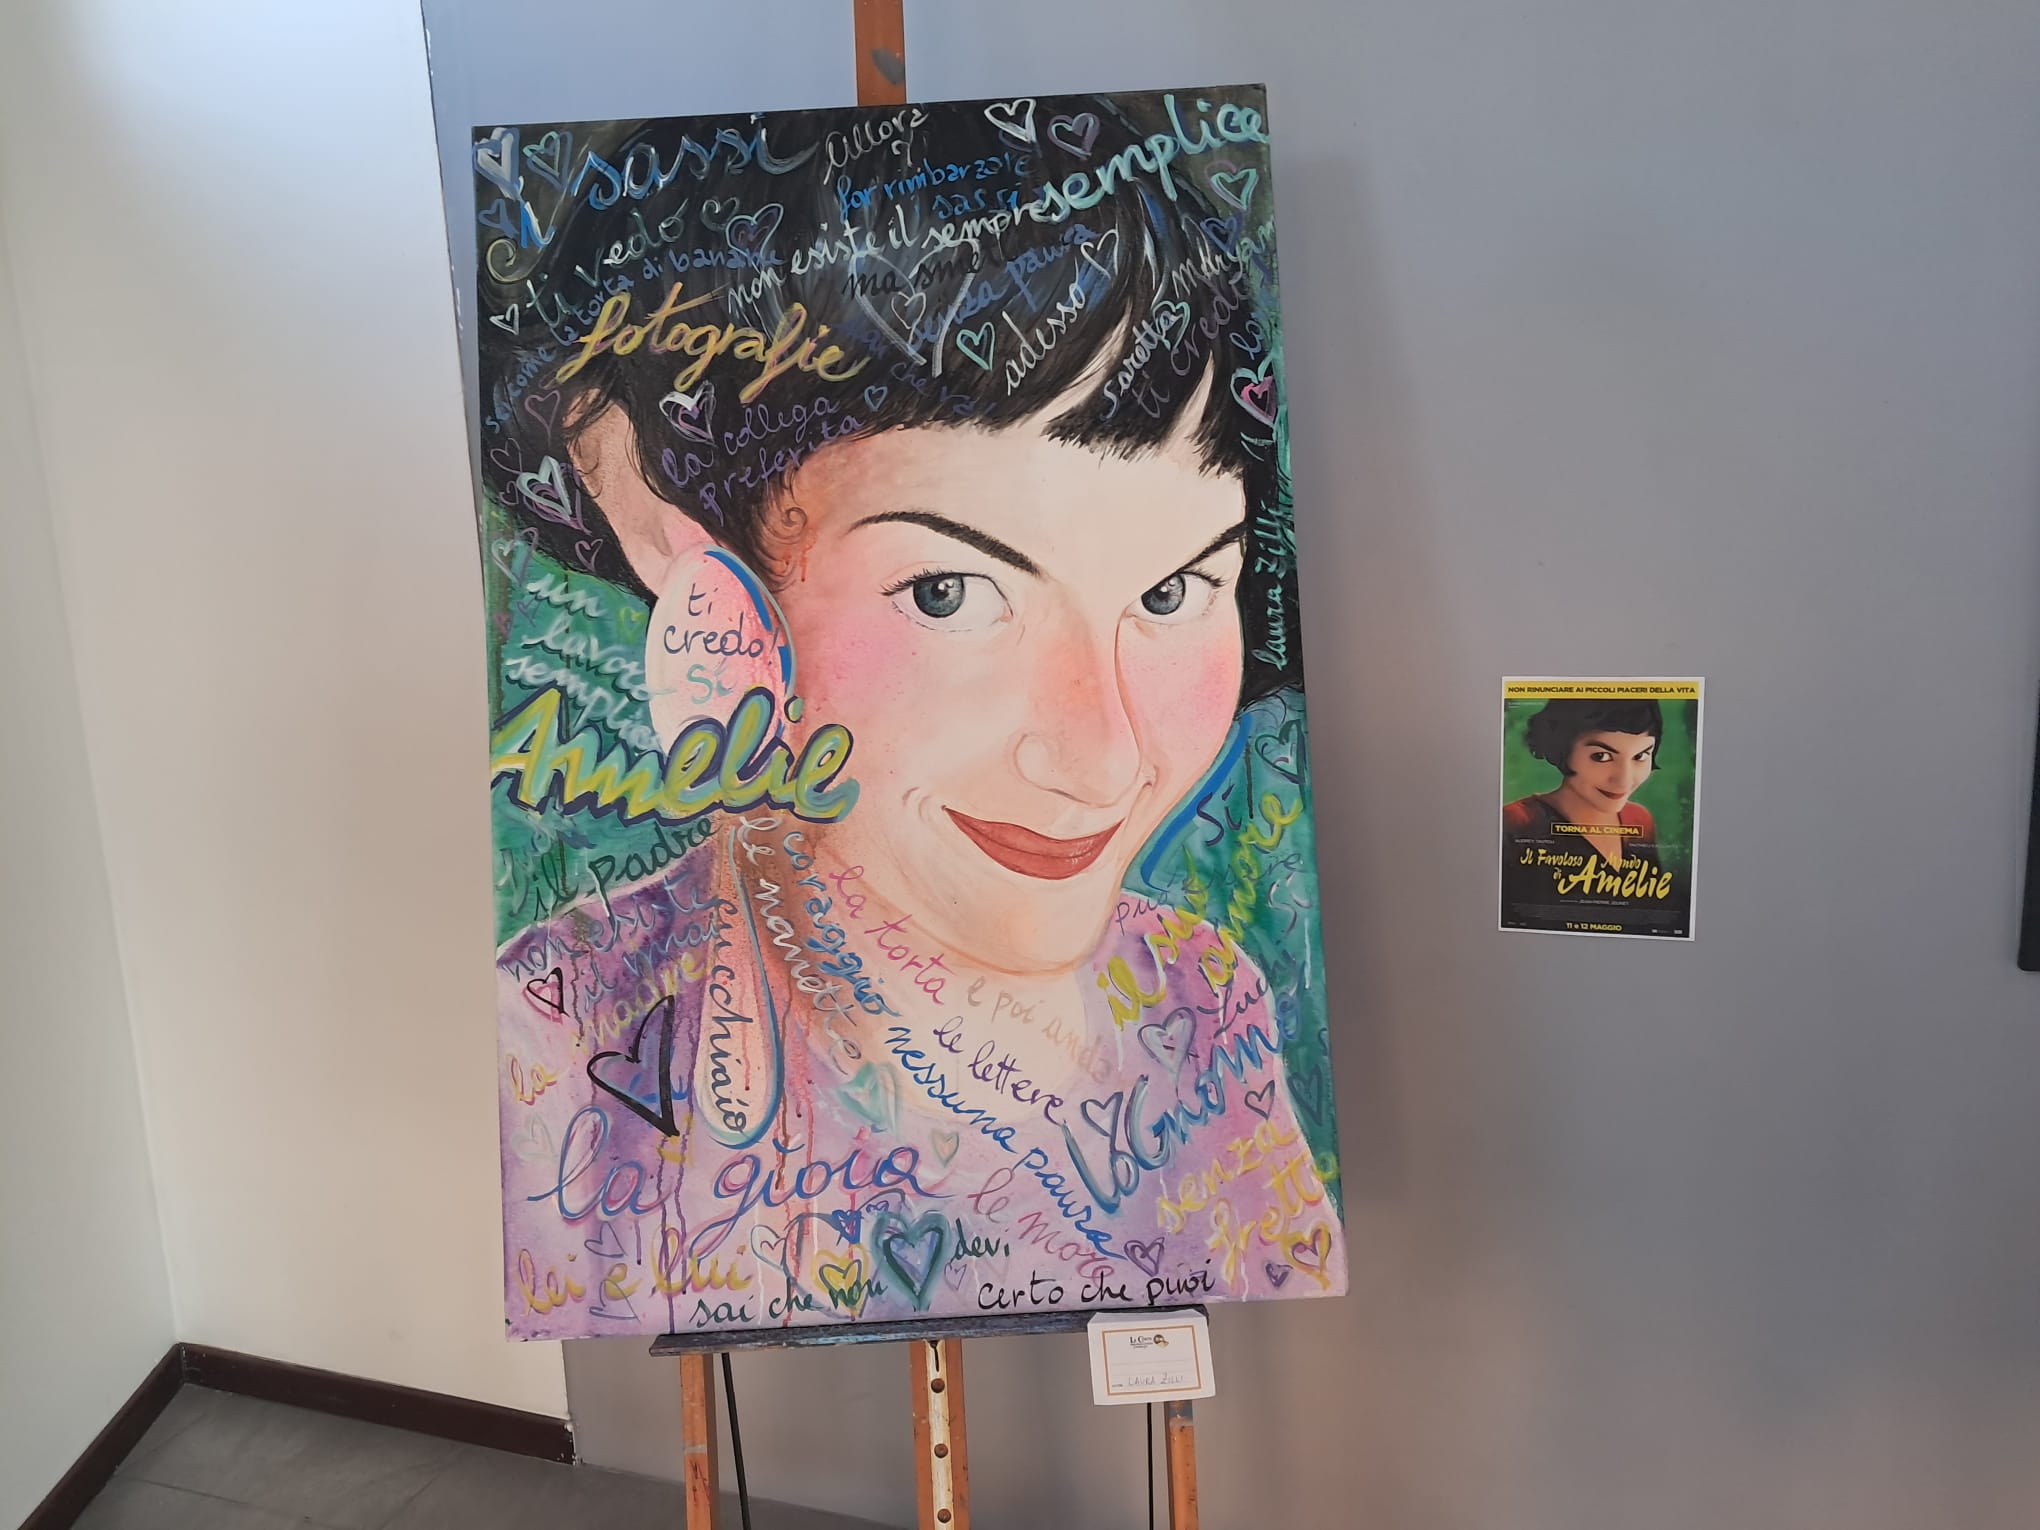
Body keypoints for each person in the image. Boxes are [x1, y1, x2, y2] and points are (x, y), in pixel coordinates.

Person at [479, 94, 1345, 1338]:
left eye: (1171, 593)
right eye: (950, 592)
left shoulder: (1203, 1005)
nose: (1100, 757)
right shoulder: (562, 1048)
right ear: (683, 547)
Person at [1501, 697, 1679, 928]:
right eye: (1601, 756)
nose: (1624, 781)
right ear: (1562, 748)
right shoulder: (1517, 822)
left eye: (1640, 756)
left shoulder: (1639, 820)